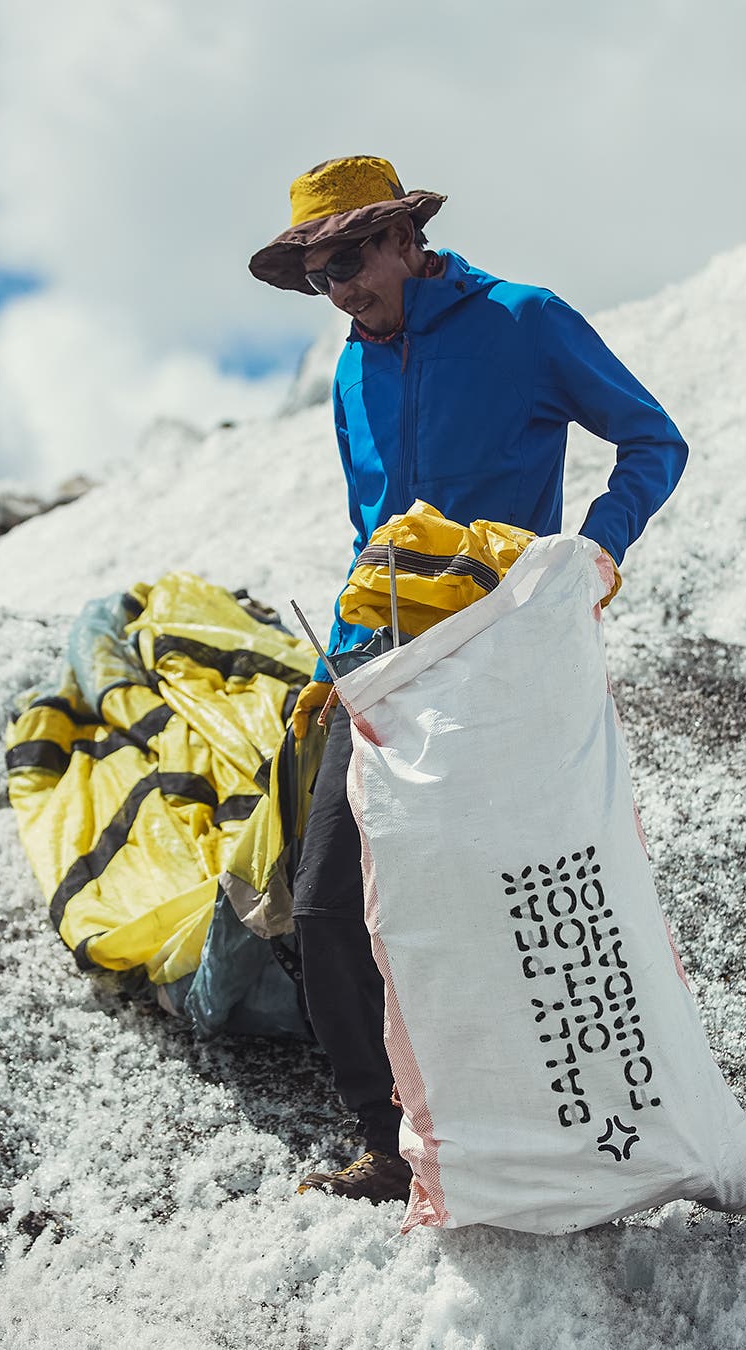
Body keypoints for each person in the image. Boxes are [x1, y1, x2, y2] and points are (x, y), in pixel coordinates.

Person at [248, 155, 688, 1202]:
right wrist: (329, 667)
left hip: (494, 657)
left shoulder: (525, 322)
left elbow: (652, 441)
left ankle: (560, 1141)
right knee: (322, 910)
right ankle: (390, 1144)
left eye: (351, 258)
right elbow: (372, 538)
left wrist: (591, 557)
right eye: (319, 275)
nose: (340, 287)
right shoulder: (353, 372)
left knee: (494, 906)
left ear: (408, 239)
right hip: (374, 662)